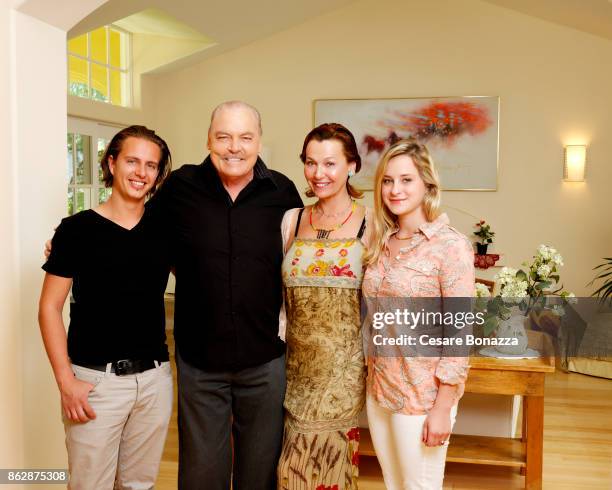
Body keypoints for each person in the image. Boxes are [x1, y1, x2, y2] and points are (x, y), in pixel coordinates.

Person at [149, 101, 303, 490]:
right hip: (200, 359)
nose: (234, 147)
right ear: (209, 139)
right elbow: (143, 238)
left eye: (245, 137)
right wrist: (75, 245)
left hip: (265, 357)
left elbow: (305, 257)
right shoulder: (179, 187)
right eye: (224, 137)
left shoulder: (282, 191)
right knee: (201, 475)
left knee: (260, 472)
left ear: (259, 142)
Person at [38, 125, 173, 490]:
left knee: (138, 485)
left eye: (150, 165)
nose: (141, 173)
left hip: (154, 382)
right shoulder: (75, 230)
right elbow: (49, 308)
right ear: (112, 163)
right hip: (95, 383)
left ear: (158, 174)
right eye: (132, 161)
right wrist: (66, 381)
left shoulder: (166, 229)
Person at [362, 138, 474, 489]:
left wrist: (443, 406)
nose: (395, 190)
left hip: (422, 397)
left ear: (427, 183)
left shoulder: (450, 246)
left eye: (406, 180)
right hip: (380, 389)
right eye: (387, 180)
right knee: (394, 484)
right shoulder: (380, 242)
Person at [277, 123, 370, 490]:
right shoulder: (292, 220)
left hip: (344, 372)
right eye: (311, 163)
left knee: (331, 470)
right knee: (290, 471)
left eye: (330, 164)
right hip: (294, 369)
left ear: (352, 166)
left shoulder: (372, 223)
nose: (319, 174)